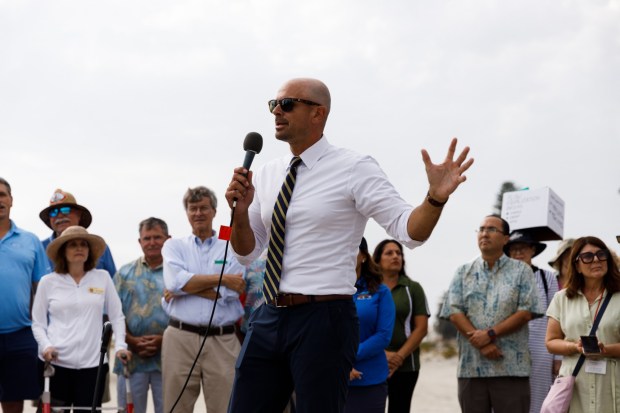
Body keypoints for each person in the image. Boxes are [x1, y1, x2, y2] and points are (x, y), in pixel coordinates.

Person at [224, 77, 473, 413]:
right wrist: (240, 212)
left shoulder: (353, 167)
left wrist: (434, 198)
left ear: (318, 113)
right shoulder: (267, 173)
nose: (276, 112)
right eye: (274, 104)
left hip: (324, 318)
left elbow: (408, 231)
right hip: (268, 315)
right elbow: (246, 251)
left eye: (287, 104)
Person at [439, 214, 543, 413]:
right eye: (481, 229)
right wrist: (481, 342)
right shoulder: (463, 272)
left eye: (491, 229)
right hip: (471, 368)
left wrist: (490, 334)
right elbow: (453, 310)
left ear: (506, 239)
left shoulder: (522, 271)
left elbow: (526, 312)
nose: (484, 233)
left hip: (511, 367)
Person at [161, 186, 246, 413]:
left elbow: (231, 292)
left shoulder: (231, 246)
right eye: (193, 208)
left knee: (225, 407)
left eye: (203, 208)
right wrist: (222, 279)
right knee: (176, 407)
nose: (198, 213)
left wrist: (184, 288)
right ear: (187, 213)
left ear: (214, 212)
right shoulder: (173, 246)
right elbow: (174, 283)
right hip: (180, 338)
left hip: (223, 340)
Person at [31, 226, 130, 410]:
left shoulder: (103, 278)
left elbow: (117, 316)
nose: (79, 248)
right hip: (56, 364)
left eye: (84, 244)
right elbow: (38, 323)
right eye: (73, 245)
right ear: (63, 251)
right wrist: (46, 346)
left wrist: (121, 346)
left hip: (93, 365)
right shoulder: (48, 282)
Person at [545, 236, 620, 412]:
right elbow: (551, 342)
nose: (596, 260)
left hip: (612, 382)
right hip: (575, 382)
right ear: (577, 265)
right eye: (587, 257)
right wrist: (575, 347)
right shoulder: (561, 298)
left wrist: (605, 349)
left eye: (601, 255)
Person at [0, 178, 50, 413]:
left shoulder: (30, 241)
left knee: (13, 402)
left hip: (21, 335)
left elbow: (42, 290)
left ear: (11, 200)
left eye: (2, 194)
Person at [113, 218, 170, 413]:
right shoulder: (124, 273)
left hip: (168, 357)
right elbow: (114, 313)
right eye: (147, 238)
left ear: (168, 239)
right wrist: (131, 340)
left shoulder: (178, 272)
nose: (152, 242)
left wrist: (164, 340)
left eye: (157, 237)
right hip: (131, 358)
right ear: (140, 242)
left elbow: (187, 312)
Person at [504, 230, 559, 413]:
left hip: (541, 353)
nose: (518, 252)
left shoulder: (547, 278)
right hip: (507, 350)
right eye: (514, 248)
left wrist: (557, 357)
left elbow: (556, 318)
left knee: (540, 402)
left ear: (532, 250)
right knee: (508, 400)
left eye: (523, 248)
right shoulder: (502, 278)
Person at [372, 239, 429, 413]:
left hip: (406, 365)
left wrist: (398, 357)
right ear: (378, 260)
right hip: (373, 361)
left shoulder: (413, 288)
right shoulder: (368, 289)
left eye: (399, 253)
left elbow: (421, 329)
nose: (395, 256)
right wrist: (383, 355)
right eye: (389, 253)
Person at [344, 238, 395, 413]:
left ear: (364, 256)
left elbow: (383, 335)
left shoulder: (381, 292)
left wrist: (347, 358)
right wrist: (340, 364)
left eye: (352, 248)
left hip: (370, 380)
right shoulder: (326, 291)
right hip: (332, 377)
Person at [39, 189, 116, 276]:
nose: (59, 215)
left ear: (79, 215)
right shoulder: (39, 249)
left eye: (65, 210)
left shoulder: (100, 248)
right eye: (53, 212)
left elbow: (114, 283)